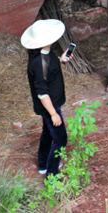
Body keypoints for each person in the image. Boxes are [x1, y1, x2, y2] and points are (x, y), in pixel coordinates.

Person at [22, 19, 71, 177]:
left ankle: (43, 163)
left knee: (48, 133)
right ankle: (52, 174)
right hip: (50, 105)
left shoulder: (43, 54)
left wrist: (61, 60)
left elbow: (47, 69)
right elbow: (42, 93)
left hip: (51, 104)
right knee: (60, 139)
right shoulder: (39, 63)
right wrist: (53, 113)